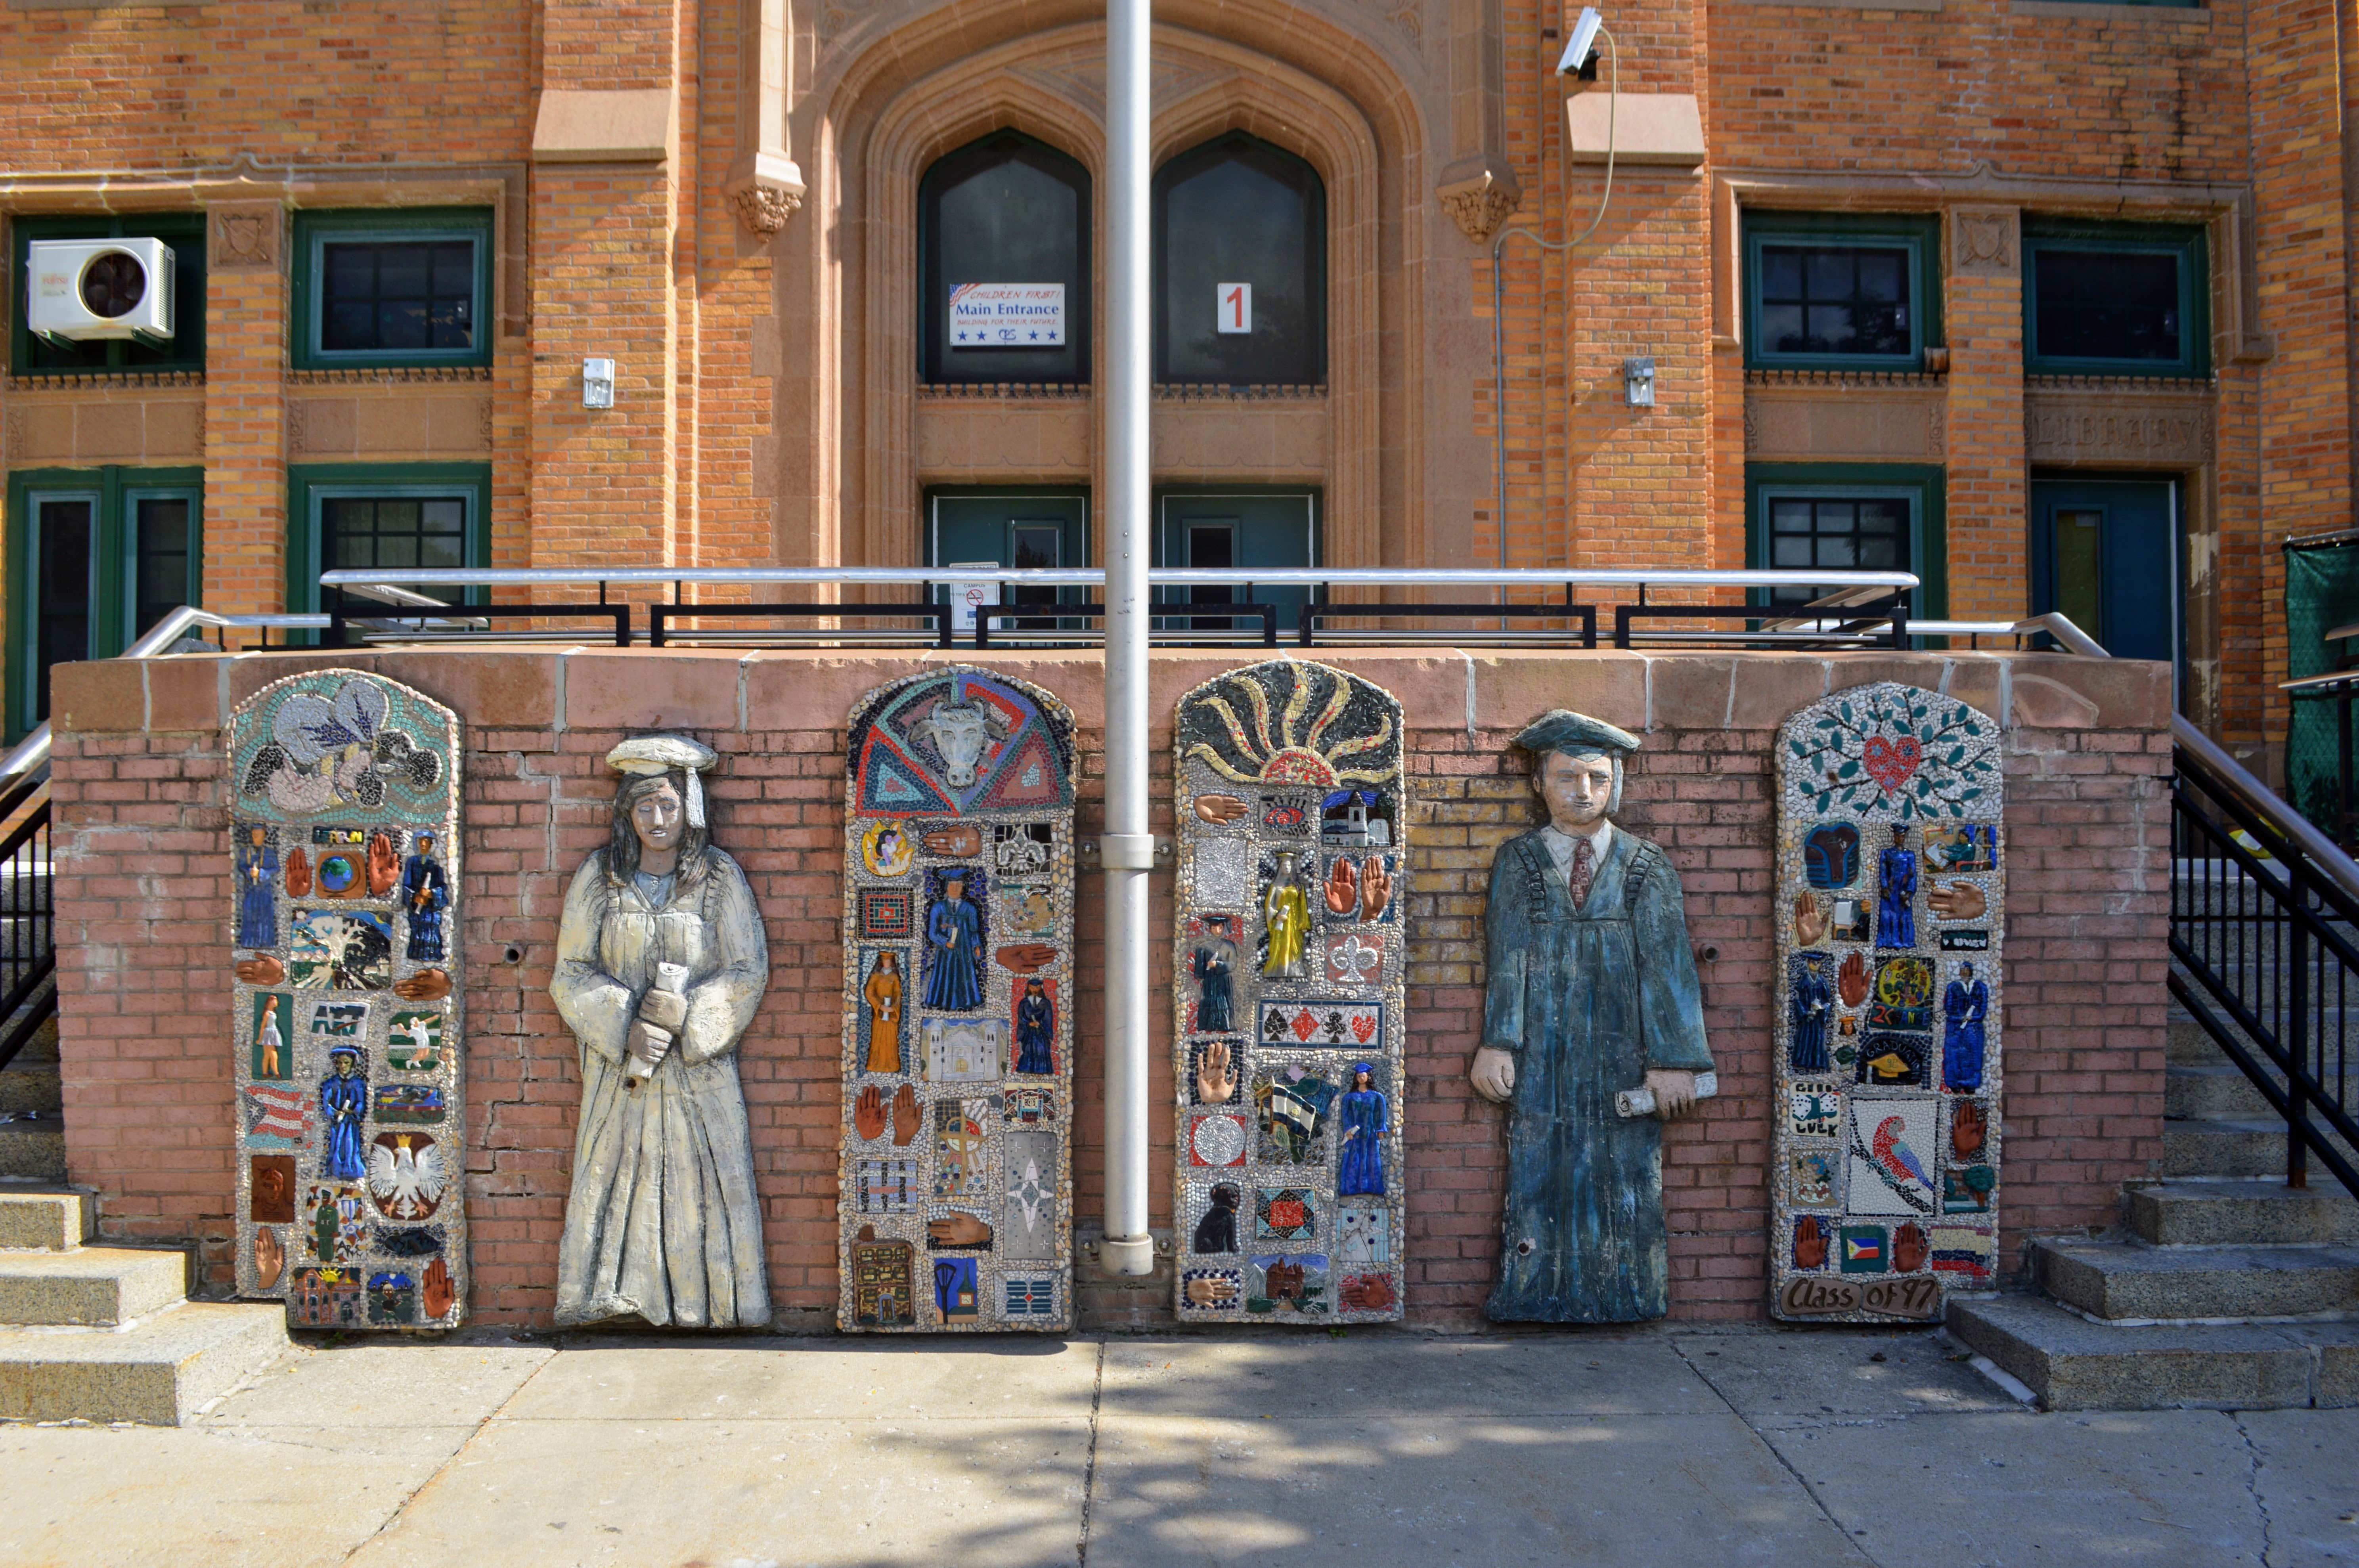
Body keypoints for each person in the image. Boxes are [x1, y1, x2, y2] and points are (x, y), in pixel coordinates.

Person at [1469, 710, 1715, 1323]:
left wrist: (1674, 1060)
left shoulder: (1645, 865)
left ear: (1617, 783)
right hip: (1544, 1048)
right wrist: (1498, 1041)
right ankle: (1534, 1294)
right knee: (1538, 1165)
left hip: (1621, 1048)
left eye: (1597, 779)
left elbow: (1669, 967)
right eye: (1567, 777)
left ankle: (1627, 1292)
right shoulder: (1517, 862)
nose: (1583, 791)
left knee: (1626, 1173)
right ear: (1539, 782)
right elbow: (1507, 957)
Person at [550, 735, 771, 1329]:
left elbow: (747, 969)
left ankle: (711, 1305)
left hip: (699, 1067)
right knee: (619, 1173)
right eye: (644, 807)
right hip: (621, 1070)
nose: (657, 820)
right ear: (626, 813)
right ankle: (612, 1296)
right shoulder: (601, 878)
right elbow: (570, 971)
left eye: (668, 806)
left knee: (702, 1182)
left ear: (688, 810)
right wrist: (623, 1025)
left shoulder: (718, 878)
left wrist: (688, 1021)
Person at [923, 872, 985, 1011]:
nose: (955, 889)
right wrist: (945, 942)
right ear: (946, 887)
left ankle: (965, 1001)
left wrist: (976, 945)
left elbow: (974, 930)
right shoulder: (938, 907)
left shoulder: (970, 909)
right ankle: (942, 1001)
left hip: (963, 950)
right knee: (944, 974)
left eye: (959, 885)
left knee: (964, 974)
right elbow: (932, 933)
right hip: (945, 952)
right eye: (952, 885)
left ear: (964, 888)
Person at [1336, 1063, 1387, 1197]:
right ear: (1356, 1078)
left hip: (1370, 1133)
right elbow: (1345, 1115)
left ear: (1368, 1077)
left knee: (1372, 1158)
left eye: (1363, 1076)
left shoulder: (1377, 1097)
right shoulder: (1349, 1097)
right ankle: (1351, 1187)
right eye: (1359, 1076)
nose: (1361, 1078)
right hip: (1356, 1134)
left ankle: (1373, 1186)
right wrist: (1348, 1130)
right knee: (1354, 1158)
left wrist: (1381, 1130)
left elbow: (1381, 1114)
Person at [319, 1046, 367, 1181]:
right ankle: (337, 1170)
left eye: (346, 1063)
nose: (343, 1066)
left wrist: (353, 1111)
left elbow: (361, 1102)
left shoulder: (358, 1083)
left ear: (352, 1064)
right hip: (338, 1122)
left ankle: (352, 1170)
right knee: (338, 1143)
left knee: (351, 1144)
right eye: (340, 1063)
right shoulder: (331, 1083)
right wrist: (335, 1113)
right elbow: (326, 1103)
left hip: (351, 1121)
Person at [1262, 848, 1311, 978]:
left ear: (1292, 867)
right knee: (1280, 945)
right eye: (1284, 865)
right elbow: (1268, 906)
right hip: (1281, 923)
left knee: (1294, 948)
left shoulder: (1298, 887)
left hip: (1294, 923)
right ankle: (1278, 969)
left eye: (1289, 865)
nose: (1286, 868)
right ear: (1280, 867)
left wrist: (1304, 925)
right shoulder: (1275, 886)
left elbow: (1303, 906)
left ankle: (1294, 970)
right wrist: (1276, 915)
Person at [400, 832, 449, 963]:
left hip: (431, 910)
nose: (423, 844)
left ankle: (432, 954)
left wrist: (431, 894)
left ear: (431, 844)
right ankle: (415, 954)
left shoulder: (436, 865)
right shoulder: (412, 862)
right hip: (417, 908)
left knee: (431, 931)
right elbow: (406, 885)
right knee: (416, 931)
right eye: (421, 841)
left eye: (426, 841)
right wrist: (415, 897)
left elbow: (443, 888)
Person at [1943, 960, 1990, 1091]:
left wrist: (1972, 1018)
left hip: (1974, 1029)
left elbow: (1982, 1010)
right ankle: (1955, 1085)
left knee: (1973, 1056)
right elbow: (1949, 1009)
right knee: (1955, 1057)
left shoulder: (1981, 988)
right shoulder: (1953, 987)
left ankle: (1971, 1085)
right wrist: (1960, 1018)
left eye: (1967, 970)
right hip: (1956, 1029)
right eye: (1962, 971)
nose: (1964, 973)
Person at [1876, 825, 1917, 949]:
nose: (1900, 838)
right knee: (1888, 915)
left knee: (1904, 915)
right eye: (1898, 836)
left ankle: (1905, 941)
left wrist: (1910, 892)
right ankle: (1887, 941)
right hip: (1891, 888)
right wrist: (1884, 888)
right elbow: (1883, 872)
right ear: (1894, 836)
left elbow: (1913, 874)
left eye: (1902, 836)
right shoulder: (1887, 853)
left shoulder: (1910, 855)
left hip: (1903, 889)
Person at [863, 952, 904, 1073]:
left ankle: (892, 1065)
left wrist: (894, 1008)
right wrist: (879, 1006)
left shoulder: (894, 977)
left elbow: (898, 994)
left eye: (889, 960)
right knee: (878, 1037)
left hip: (891, 1014)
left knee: (891, 1038)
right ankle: (875, 1065)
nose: (887, 963)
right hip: (879, 1014)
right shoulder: (876, 976)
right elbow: (869, 993)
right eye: (885, 960)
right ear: (881, 962)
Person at [1790, 955, 1832, 1073]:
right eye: (1813, 962)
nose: (1816, 965)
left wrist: (1823, 1008)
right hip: (1807, 1019)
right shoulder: (1804, 980)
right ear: (1808, 963)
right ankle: (1803, 1061)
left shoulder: (1822, 981)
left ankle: (1818, 1062)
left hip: (1818, 1018)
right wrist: (1805, 1013)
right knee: (1805, 1038)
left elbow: (1827, 1000)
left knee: (1819, 1039)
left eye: (1818, 963)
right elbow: (1798, 999)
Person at [238, 826, 278, 949]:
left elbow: (276, 868)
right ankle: (249, 942)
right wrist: (250, 871)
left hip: (265, 890)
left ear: (264, 836)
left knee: (265, 916)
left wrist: (262, 874)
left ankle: (266, 942)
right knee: (250, 914)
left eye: (259, 835)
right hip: (251, 890)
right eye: (254, 835)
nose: (256, 837)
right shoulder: (245, 852)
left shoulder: (270, 852)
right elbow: (241, 866)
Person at [1191, 934, 1236, 1032]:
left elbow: (1233, 964)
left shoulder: (1229, 945)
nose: (1217, 931)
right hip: (1210, 980)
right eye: (1214, 928)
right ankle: (1208, 1025)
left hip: (1224, 980)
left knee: (1224, 1001)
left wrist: (1218, 964)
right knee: (1209, 1001)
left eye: (1220, 928)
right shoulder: (1203, 946)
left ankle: (1226, 1025)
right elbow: (1199, 971)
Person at [1014, 976, 1055, 1074]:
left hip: (1041, 1033)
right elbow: (1021, 1018)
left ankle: (1042, 1069)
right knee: (1028, 1050)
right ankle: (1027, 1069)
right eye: (1032, 987)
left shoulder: (1046, 1003)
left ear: (1041, 988)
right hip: (1028, 1033)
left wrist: (1040, 1023)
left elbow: (1049, 1019)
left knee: (1042, 1050)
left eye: (1037, 988)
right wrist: (1029, 1024)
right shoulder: (1024, 1003)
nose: (1035, 990)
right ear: (1028, 988)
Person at [254, 994, 284, 1078]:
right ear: (270, 1002)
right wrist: (260, 1039)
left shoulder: (273, 1013)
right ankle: (277, 1072)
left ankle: (265, 1073)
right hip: (269, 1035)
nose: (277, 1002)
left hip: (273, 1033)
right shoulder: (267, 1014)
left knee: (267, 1055)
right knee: (273, 1054)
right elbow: (263, 1026)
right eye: (275, 1000)